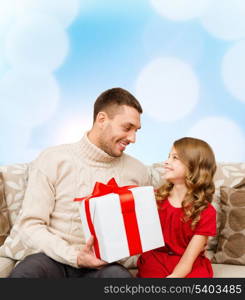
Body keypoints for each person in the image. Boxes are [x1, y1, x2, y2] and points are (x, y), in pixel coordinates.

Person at [8, 87, 164, 278]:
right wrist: (75, 256)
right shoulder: (53, 159)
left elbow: (142, 234)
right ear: (101, 119)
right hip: (53, 260)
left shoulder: (137, 171)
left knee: (119, 279)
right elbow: (30, 225)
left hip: (105, 266)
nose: (133, 138)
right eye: (127, 128)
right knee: (26, 274)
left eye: (136, 130)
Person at [137, 137, 217, 278]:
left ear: (194, 166)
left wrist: (174, 277)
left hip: (189, 263)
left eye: (175, 158)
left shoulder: (206, 212)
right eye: (168, 156)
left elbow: (189, 259)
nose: (166, 162)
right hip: (156, 260)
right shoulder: (153, 199)